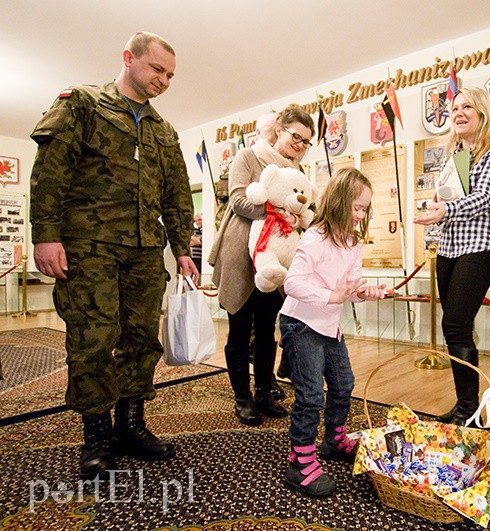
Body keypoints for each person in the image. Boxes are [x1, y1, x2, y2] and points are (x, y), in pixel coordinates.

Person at [29, 32, 198, 480]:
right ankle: (97, 436)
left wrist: (182, 249)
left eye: (170, 75)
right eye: (156, 69)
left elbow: (178, 195)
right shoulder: (81, 104)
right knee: (93, 341)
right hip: (88, 249)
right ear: (129, 58)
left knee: (142, 341)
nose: (163, 80)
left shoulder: (164, 131)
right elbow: (50, 172)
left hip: (145, 252)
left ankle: (131, 425)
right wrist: (45, 235)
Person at [279, 168, 387, 497]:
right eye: (357, 207)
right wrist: (334, 296)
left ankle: (333, 439)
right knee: (311, 396)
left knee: (343, 386)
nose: (362, 214)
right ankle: (299, 461)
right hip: (301, 325)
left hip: (328, 324)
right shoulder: (315, 238)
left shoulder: (353, 242)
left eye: (365, 208)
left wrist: (363, 293)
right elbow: (291, 283)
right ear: (339, 203)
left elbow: (349, 289)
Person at [208, 106, 315, 425]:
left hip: (275, 260)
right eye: (296, 136)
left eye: (306, 141)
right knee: (240, 330)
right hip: (241, 256)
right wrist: (278, 212)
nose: (300, 144)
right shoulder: (248, 157)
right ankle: (242, 398)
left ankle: (265, 392)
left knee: (268, 331)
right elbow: (239, 201)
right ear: (280, 130)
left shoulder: (297, 171)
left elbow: (303, 210)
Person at [414, 87, 490, 426]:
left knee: (454, 323)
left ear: (482, 112)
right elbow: (445, 198)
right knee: (456, 325)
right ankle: (466, 407)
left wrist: (444, 210)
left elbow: (484, 199)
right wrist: (434, 211)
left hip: (480, 246)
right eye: (455, 108)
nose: (458, 112)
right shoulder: (452, 156)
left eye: (467, 106)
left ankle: (469, 408)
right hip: (449, 246)